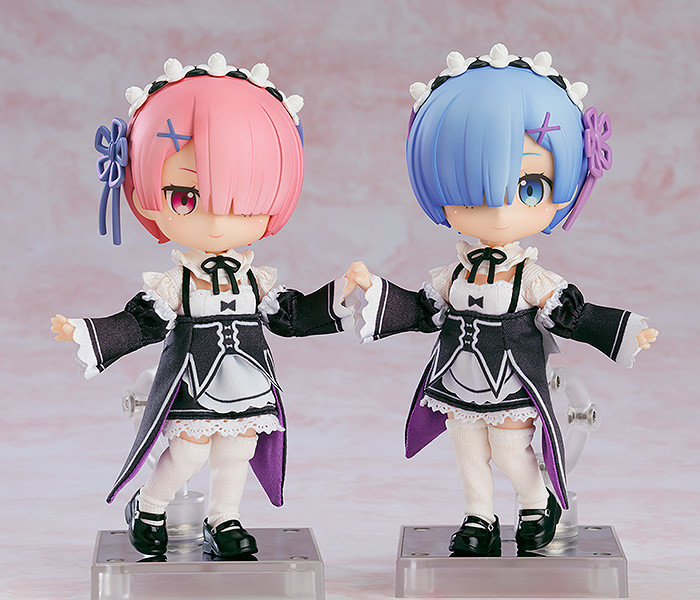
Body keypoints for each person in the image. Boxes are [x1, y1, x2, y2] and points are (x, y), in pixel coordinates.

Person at [344, 44, 658, 556]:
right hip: (459, 377)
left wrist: (621, 330)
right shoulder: (453, 274)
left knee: (511, 449)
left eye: (529, 188)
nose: (498, 210)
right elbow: (424, 309)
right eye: (470, 191)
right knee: (468, 452)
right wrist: (377, 290)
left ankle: (535, 502)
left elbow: (570, 315)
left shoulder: (530, 277)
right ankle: (479, 517)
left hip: (512, 378)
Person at [51, 53, 352, 558]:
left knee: (238, 449)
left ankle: (224, 518)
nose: (216, 222)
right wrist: (88, 331)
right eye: (186, 197)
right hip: (194, 378)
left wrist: (338, 296)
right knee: (188, 451)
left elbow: (289, 315)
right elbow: (144, 322)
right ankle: (150, 506)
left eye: (242, 202)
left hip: (247, 378)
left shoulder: (256, 280)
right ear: (146, 194)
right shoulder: (179, 283)